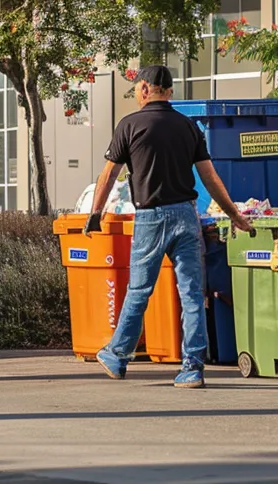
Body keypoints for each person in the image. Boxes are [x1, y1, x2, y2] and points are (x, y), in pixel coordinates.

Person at [87, 65, 253, 388]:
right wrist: (235, 215)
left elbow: (108, 175)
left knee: (139, 290)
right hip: (186, 216)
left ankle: (118, 355)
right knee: (192, 293)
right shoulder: (188, 127)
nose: (136, 94)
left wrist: (96, 212)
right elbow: (210, 177)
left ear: (146, 89)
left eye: (136, 88)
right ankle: (192, 367)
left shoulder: (130, 126)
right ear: (170, 92)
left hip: (150, 218)